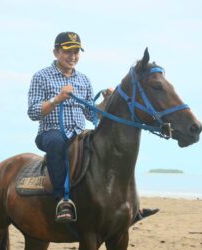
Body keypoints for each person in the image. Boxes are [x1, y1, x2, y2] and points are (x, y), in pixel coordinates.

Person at [28, 31, 159, 223]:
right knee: (57, 143)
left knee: (110, 148)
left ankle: (128, 203)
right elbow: (33, 112)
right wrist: (57, 99)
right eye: (67, 51)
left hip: (79, 135)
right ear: (55, 52)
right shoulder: (41, 77)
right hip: (51, 132)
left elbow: (92, 114)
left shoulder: (83, 80)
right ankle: (62, 200)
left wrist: (107, 101)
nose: (72, 56)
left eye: (76, 52)